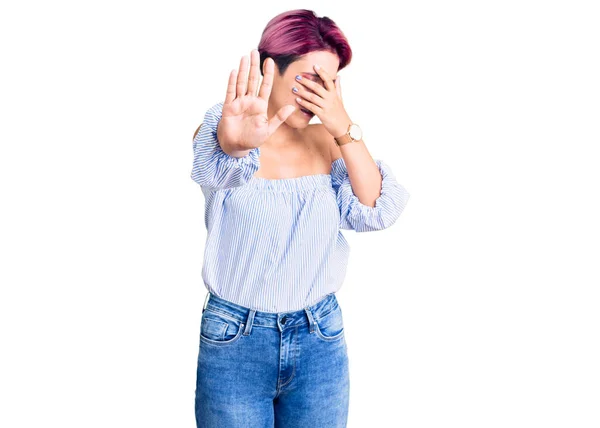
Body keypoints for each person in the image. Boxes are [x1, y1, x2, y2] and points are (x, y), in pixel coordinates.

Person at [191, 8, 410, 428]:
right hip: (235, 338)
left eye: (329, 84)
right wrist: (235, 144)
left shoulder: (330, 141)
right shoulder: (228, 126)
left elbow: (377, 209)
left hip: (319, 338)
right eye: (309, 79)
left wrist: (345, 127)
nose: (317, 96)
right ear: (269, 68)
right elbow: (217, 166)